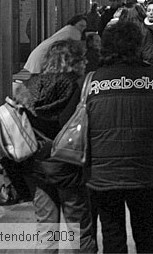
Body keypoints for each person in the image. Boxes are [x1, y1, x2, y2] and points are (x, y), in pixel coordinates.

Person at [86, 19, 153, 253]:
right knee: (146, 227)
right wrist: (147, 137)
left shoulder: (91, 81)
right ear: (137, 46)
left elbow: (73, 125)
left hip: (102, 173)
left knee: (112, 230)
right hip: (144, 170)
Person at [16, 40, 96, 253]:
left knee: (46, 229)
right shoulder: (79, 87)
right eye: (82, 58)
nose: (86, 62)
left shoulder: (30, 85)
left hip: (38, 167)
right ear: (73, 61)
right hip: (70, 165)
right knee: (79, 230)